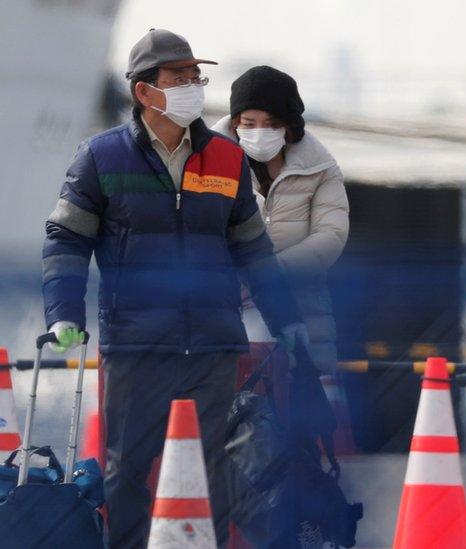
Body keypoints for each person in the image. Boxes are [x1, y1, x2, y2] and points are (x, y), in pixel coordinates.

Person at [41, 29, 307, 547]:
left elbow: (254, 250)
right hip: (136, 343)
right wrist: (63, 313)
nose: (193, 86)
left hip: (211, 342)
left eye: (196, 77)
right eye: (179, 77)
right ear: (144, 92)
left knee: (212, 469)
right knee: (128, 471)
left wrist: (287, 319)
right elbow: (65, 240)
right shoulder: (101, 157)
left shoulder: (228, 159)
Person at [211, 66, 349, 373]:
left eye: (271, 124)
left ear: (289, 125)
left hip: (303, 303)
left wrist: (270, 271)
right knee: (224, 401)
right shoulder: (205, 162)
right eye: (249, 123)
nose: (259, 132)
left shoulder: (319, 167)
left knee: (306, 402)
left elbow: (331, 235)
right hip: (225, 306)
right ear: (235, 123)